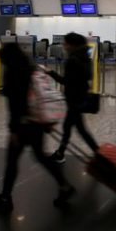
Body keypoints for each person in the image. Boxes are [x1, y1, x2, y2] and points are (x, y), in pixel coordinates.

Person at [0, 43, 75, 214]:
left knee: (12, 161)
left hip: (23, 125)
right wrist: (45, 120)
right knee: (41, 156)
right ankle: (64, 185)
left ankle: (5, 199)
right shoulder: (31, 68)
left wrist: (13, 130)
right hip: (37, 121)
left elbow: (15, 104)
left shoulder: (12, 73)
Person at [47, 33, 99, 164]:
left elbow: (66, 81)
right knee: (69, 127)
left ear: (72, 45)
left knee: (79, 129)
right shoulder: (85, 57)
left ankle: (99, 154)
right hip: (80, 97)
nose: (63, 46)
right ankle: (60, 153)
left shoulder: (72, 60)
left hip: (73, 99)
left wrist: (50, 73)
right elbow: (87, 77)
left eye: (65, 43)